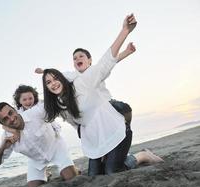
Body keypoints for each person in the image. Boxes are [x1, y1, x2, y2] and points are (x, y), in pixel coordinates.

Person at [42, 14, 163, 176]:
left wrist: (125, 31)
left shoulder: (83, 82)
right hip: (97, 140)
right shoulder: (59, 104)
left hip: (115, 130)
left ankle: (142, 155)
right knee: (94, 176)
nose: (53, 83)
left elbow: (106, 62)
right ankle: (113, 157)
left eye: (56, 79)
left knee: (113, 171)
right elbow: (74, 123)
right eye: (48, 82)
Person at [0, 102, 79, 187]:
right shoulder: (7, 137)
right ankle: (46, 173)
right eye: (5, 119)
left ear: (15, 110)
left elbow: (54, 106)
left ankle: (72, 167)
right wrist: (2, 148)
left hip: (56, 148)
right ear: (2, 124)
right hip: (36, 160)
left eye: (11, 113)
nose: (11, 119)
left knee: (70, 177)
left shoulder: (35, 113)